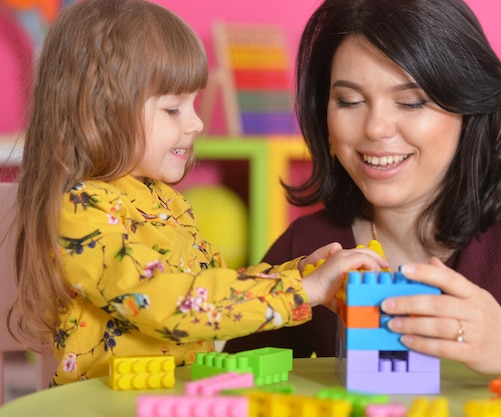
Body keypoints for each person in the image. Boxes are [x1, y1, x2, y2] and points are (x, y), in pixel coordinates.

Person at [225, 0, 501, 375]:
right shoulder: (307, 250)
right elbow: (228, 378)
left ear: (466, 107)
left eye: (411, 102)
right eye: (349, 101)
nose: (376, 128)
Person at [7, 0, 388, 386]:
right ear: (100, 111)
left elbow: (212, 287)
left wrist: (304, 273)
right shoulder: (80, 208)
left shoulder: (165, 201)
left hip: (167, 401)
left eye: (193, 104)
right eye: (173, 109)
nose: (197, 122)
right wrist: (302, 290)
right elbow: (162, 300)